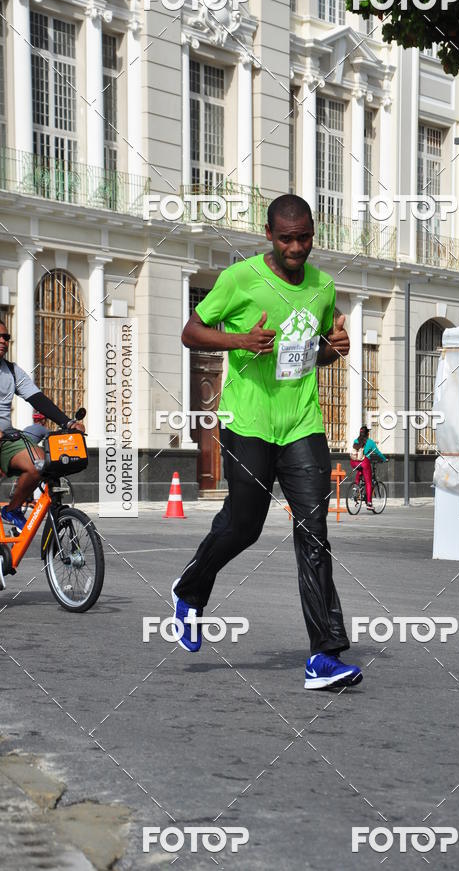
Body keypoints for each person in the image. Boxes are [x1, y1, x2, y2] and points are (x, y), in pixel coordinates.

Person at [172, 194, 363, 691]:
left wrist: (333, 350)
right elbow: (191, 331)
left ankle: (324, 655)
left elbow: (313, 352)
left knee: (315, 533)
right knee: (244, 526)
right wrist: (239, 341)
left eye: (304, 237)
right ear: (268, 234)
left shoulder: (323, 285)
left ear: (313, 234)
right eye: (286, 238)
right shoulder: (240, 279)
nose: (296, 247)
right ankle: (190, 590)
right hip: (249, 423)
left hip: (302, 424)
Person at [0, 322, 85, 531]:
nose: (3, 341)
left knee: (40, 463)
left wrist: (68, 422)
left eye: (6, 337)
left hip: (5, 439)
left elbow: (37, 399)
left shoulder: (11, 371)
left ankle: (12, 509)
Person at [350, 425, 387, 511]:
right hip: (364, 462)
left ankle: (356, 488)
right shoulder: (370, 442)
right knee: (368, 482)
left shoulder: (356, 440)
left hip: (354, 462)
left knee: (359, 471)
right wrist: (384, 459)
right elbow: (377, 452)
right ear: (368, 434)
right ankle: (369, 503)